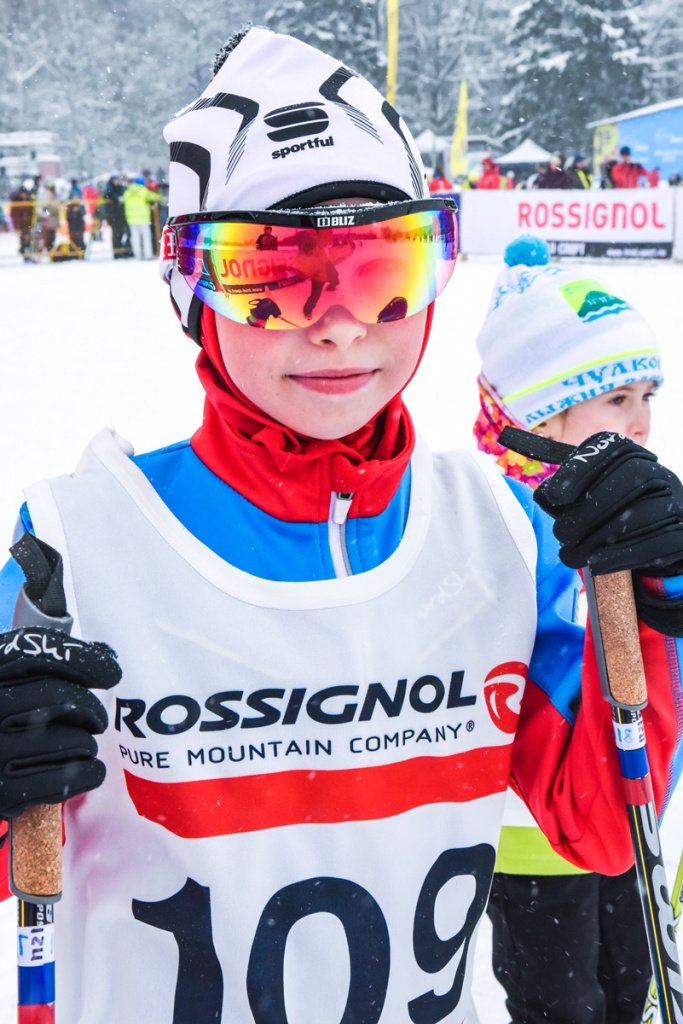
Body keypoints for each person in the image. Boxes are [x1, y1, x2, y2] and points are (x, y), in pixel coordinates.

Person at [1, 28, 683, 1024]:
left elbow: (600, 826)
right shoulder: (76, 544)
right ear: (191, 292)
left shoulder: (495, 529)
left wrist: (657, 606)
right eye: (271, 273)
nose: (337, 322)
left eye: (382, 266)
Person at [474, 234, 664, 1024]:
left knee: (632, 990)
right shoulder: (494, 521)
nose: (644, 421)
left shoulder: (634, 514)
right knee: (563, 1006)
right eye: (617, 398)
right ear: (545, 414)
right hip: (532, 841)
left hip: (631, 815)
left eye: (648, 395)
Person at [122, 174, 161, 259]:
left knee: (135, 237)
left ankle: (138, 255)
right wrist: (160, 196)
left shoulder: (127, 192)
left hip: (131, 219)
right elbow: (155, 197)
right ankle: (148, 255)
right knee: (146, 237)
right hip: (143, 218)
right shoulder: (143, 191)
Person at [101, 173, 132, 258]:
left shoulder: (120, 188)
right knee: (116, 235)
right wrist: (116, 198)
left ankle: (123, 251)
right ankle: (117, 252)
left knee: (123, 233)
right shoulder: (109, 189)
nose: (117, 181)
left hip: (121, 215)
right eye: (115, 180)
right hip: (114, 216)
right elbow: (108, 195)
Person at [9, 179, 36, 262]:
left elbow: (32, 213)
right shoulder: (16, 202)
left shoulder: (29, 201)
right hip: (20, 224)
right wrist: (16, 226)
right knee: (23, 239)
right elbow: (13, 214)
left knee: (29, 239)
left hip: (27, 223)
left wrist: (32, 223)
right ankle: (24, 253)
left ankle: (27, 254)